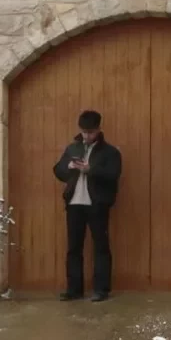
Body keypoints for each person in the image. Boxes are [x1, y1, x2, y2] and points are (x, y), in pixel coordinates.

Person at [52, 110, 122, 302]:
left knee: (101, 247)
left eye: (90, 132)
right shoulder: (72, 148)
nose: (87, 136)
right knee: (74, 248)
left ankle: (101, 290)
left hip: (97, 205)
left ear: (99, 130)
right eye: (84, 132)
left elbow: (113, 174)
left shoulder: (110, 152)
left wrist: (90, 170)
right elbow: (58, 171)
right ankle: (74, 290)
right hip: (74, 204)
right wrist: (69, 167)